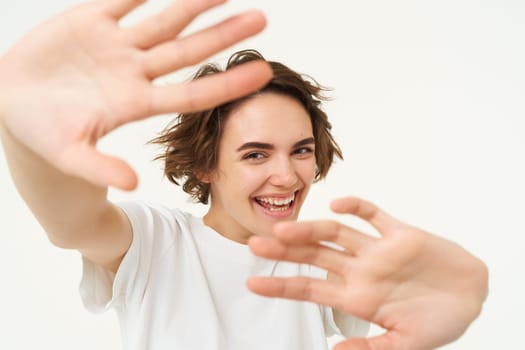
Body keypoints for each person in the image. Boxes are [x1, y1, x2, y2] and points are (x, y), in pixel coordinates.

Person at [0, 0, 488, 349]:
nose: (287, 175)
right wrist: (27, 130)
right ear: (205, 165)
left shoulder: (321, 261)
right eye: (256, 154)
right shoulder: (155, 240)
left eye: (301, 150)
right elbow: (71, 223)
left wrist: (455, 303)